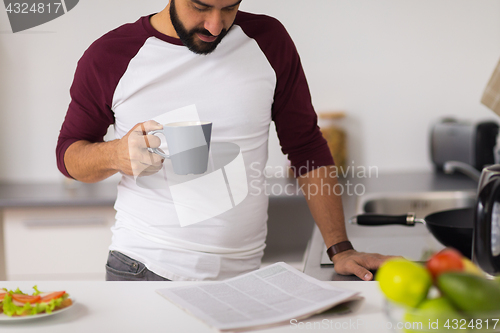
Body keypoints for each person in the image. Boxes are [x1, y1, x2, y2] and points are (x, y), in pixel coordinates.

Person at [56, 0, 391, 282]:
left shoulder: (268, 41)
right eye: (201, 7)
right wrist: (115, 155)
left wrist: (340, 248)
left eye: (230, 7)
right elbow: (69, 155)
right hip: (145, 268)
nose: (215, 26)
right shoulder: (112, 55)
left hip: (244, 274)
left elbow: (305, 146)